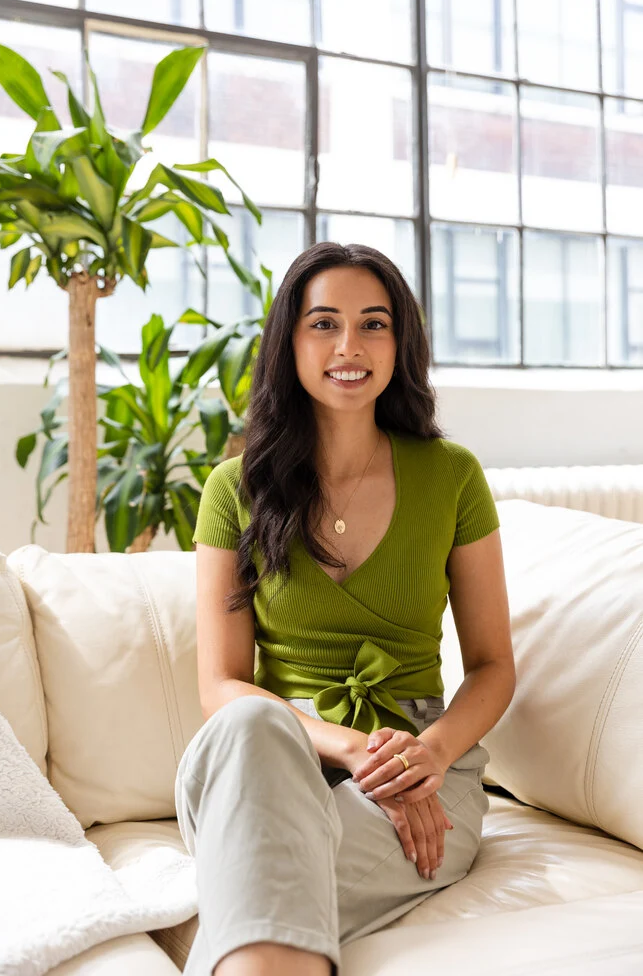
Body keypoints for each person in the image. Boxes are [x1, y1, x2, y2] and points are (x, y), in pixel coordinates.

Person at [175, 241, 516, 976]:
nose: (349, 346)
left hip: (422, 766)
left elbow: (492, 667)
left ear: (401, 342)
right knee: (249, 718)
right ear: (288, 343)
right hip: (269, 758)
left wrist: (425, 757)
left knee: (260, 889)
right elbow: (221, 687)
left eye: (374, 324)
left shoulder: (451, 476)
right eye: (323, 324)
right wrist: (353, 748)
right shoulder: (233, 489)